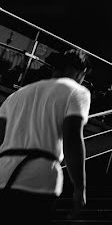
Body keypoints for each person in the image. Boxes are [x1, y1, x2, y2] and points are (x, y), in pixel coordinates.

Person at [0, 49, 90, 225]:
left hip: (3, 174)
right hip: (39, 179)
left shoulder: (17, 95)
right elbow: (72, 138)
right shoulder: (77, 91)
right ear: (80, 72)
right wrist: (80, 188)